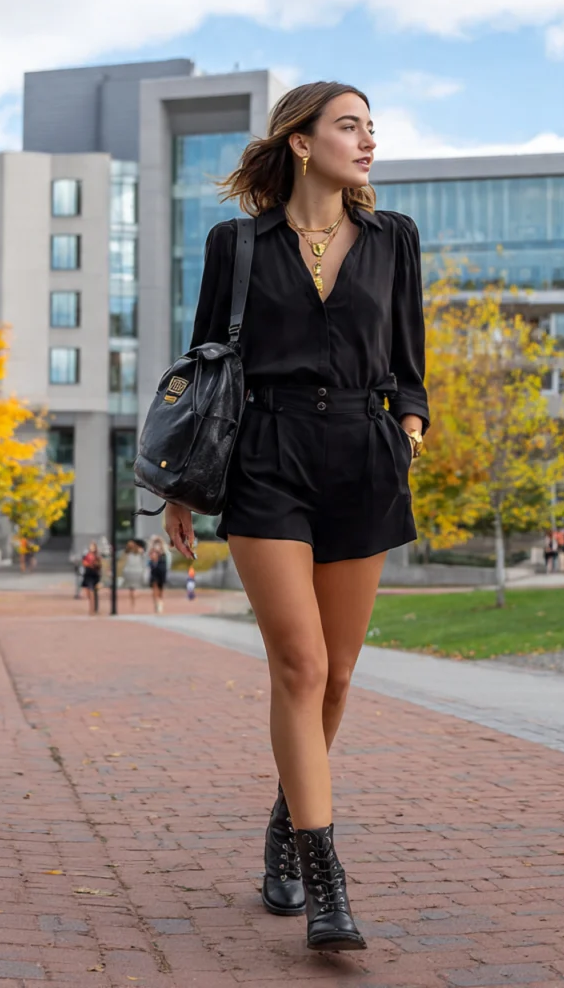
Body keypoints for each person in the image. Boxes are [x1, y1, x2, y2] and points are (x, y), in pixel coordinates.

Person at [163, 82, 428, 953]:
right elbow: (203, 366)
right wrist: (178, 489)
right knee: (300, 664)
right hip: (266, 459)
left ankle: (284, 820)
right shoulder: (236, 243)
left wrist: (410, 429)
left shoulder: (394, 239)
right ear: (304, 143)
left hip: (364, 455)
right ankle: (326, 879)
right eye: (350, 126)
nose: (368, 140)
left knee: (342, 673)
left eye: (371, 128)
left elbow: (410, 361)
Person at [121, 540, 145, 610]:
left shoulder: (139, 551)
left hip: (136, 571)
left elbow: (143, 559)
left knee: (134, 588)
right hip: (129, 571)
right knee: (131, 588)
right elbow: (123, 562)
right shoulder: (126, 553)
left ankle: (134, 602)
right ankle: (133, 603)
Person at [147, 534, 168, 614]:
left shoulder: (163, 552)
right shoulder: (151, 550)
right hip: (154, 570)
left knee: (161, 588)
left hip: (161, 570)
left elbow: (164, 548)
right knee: (154, 586)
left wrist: (160, 539)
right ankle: (156, 602)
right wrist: (152, 541)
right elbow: (149, 552)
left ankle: (160, 602)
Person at [81, 541, 102, 615]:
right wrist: (89, 564)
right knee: (88, 593)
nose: (91, 548)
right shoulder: (86, 555)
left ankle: (92, 609)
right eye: (90, 546)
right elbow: (84, 563)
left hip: (94, 575)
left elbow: (99, 565)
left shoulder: (97, 556)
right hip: (87, 574)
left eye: (93, 546)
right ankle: (92, 606)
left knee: (92, 592)